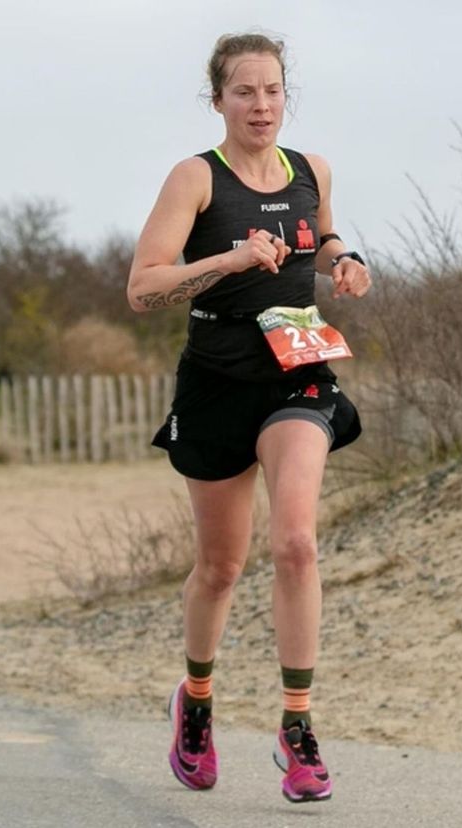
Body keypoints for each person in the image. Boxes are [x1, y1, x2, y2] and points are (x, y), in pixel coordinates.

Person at [126, 32, 371, 804]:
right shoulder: (195, 179)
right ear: (219, 100)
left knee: (296, 543)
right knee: (222, 567)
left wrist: (343, 261)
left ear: (285, 95)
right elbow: (143, 289)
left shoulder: (312, 171)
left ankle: (297, 729)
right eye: (244, 92)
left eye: (272, 91)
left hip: (296, 370)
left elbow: (322, 235)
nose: (261, 106)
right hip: (216, 379)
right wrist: (228, 261)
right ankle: (195, 700)